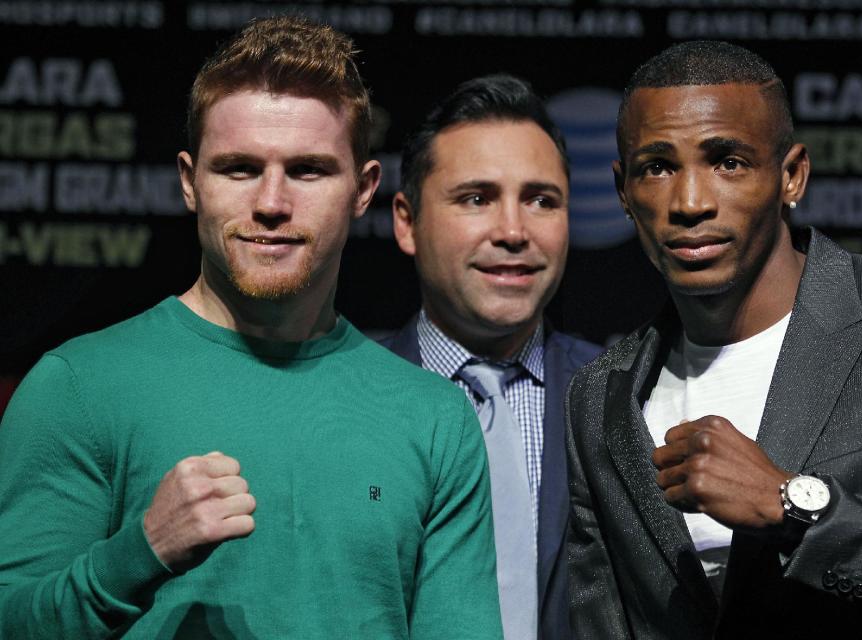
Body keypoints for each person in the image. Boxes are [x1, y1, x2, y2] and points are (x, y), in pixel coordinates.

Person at [0, 17, 502, 639]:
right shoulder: (77, 387)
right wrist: (139, 553)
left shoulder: (434, 417)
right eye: (238, 168)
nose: (271, 202)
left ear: (364, 189)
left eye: (308, 170)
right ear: (190, 183)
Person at [566, 40, 862, 639]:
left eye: (727, 161)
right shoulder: (599, 398)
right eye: (658, 167)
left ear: (792, 175)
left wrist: (796, 505)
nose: (690, 202)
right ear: (623, 191)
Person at [383, 74, 601, 640]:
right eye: (477, 199)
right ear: (406, 222)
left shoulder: (624, 395)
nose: (513, 230)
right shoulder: (340, 395)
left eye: (541, 200)